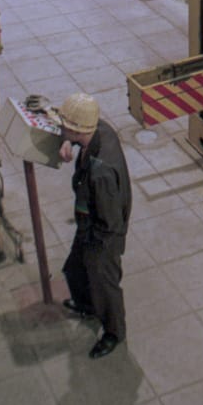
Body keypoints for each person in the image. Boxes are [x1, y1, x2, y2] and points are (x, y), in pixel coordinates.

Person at [58, 92, 132, 359]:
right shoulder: (101, 129)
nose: (61, 129)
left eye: (65, 127)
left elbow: (110, 222)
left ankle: (114, 332)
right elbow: (73, 132)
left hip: (103, 236)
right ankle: (87, 305)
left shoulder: (101, 173)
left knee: (105, 284)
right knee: (74, 271)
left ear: (78, 130)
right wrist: (67, 141)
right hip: (90, 225)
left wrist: (94, 246)